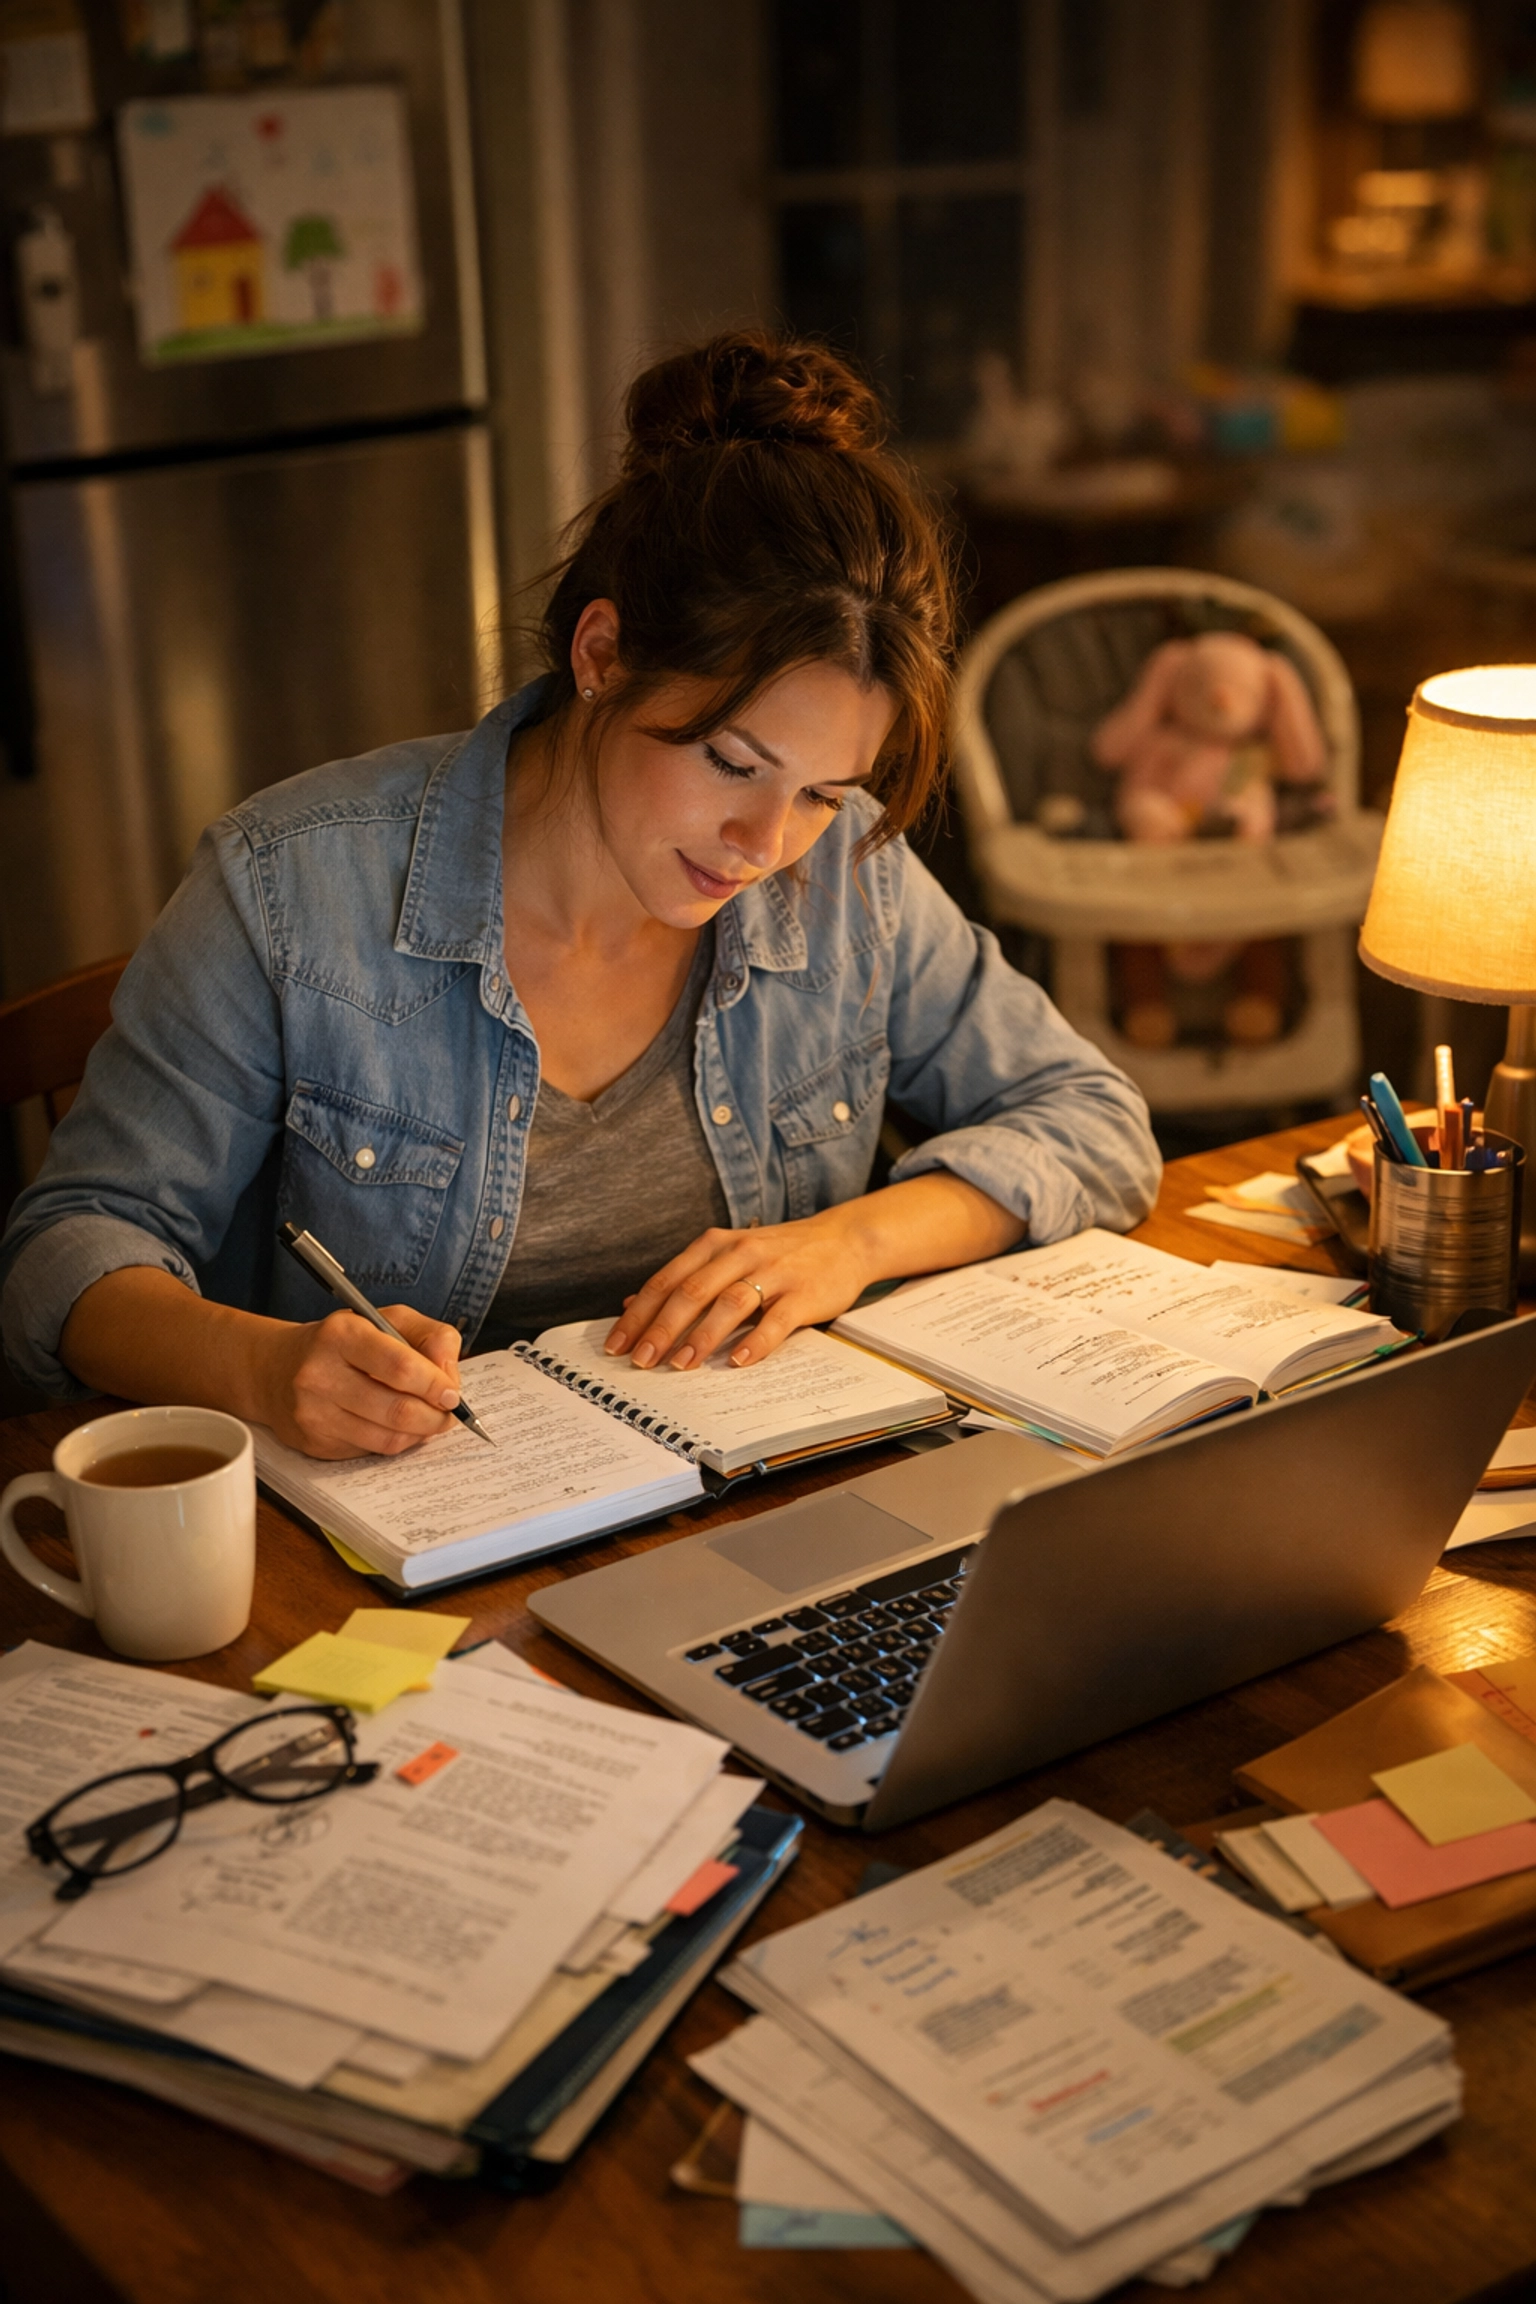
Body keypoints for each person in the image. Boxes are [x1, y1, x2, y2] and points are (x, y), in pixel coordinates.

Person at [1, 332, 1159, 1461]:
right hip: (391, 1553)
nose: (765, 844)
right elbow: (66, 1252)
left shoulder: (844, 869)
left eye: (823, 789)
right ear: (601, 654)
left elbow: (1094, 1124)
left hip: (749, 1499)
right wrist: (258, 1367)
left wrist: (848, 1243)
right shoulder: (290, 889)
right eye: (729, 761)